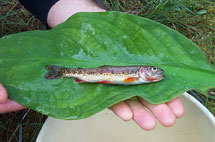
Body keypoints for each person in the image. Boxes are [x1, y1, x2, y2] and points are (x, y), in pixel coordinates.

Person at [0, 0, 184, 131]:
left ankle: (63, 72)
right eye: (153, 69)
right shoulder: (134, 75)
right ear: (142, 71)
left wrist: (76, 13)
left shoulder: (138, 74)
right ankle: (63, 72)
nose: (156, 72)